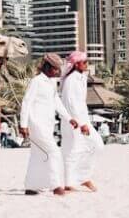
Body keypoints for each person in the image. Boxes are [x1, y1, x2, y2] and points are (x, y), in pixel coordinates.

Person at [19, 53, 78, 196]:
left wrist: (69, 118)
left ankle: (31, 187)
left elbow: (57, 102)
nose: (57, 72)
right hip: (36, 124)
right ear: (47, 67)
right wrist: (23, 125)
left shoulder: (51, 83)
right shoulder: (36, 81)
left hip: (47, 124)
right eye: (55, 69)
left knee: (37, 155)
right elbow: (26, 102)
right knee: (54, 152)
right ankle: (56, 186)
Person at [60, 51, 104, 192]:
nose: (87, 64)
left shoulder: (81, 77)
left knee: (97, 146)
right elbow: (70, 103)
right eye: (84, 62)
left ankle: (83, 177)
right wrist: (80, 123)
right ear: (77, 64)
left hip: (83, 120)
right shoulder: (71, 80)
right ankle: (70, 183)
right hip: (73, 121)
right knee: (71, 151)